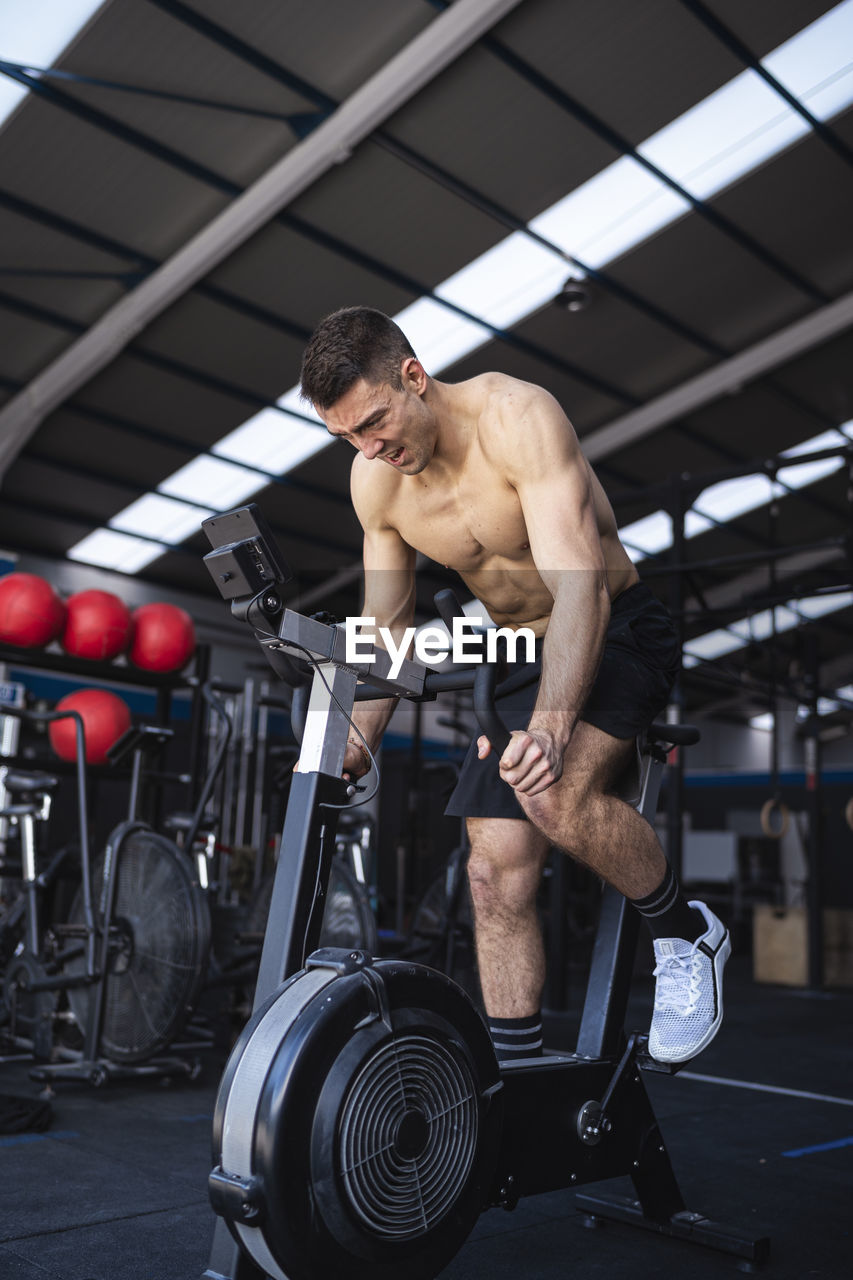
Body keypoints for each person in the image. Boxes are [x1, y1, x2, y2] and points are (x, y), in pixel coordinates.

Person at [298, 305, 730, 1066]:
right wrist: (354, 735)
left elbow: (582, 589)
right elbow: (386, 629)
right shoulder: (377, 485)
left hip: (617, 623)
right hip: (517, 652)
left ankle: (685, 933)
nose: (368, 449)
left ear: (413, 376)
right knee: (492, 871)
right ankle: (517, 1073)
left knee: (551, 793)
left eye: (373, 423)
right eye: (347, 438)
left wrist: (552, 727)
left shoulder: (516, 416)